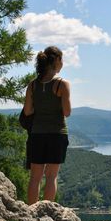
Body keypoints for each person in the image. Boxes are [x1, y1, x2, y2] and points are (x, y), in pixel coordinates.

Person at [23, 46, 71, 205]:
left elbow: (28, 111)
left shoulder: (32, 85)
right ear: (56, 61)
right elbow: (67, 111)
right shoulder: (62, 84)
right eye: (61, 59)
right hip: (57, 134)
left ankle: (30, 212)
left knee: (35, 178)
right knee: (51, 177)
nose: (62, 63)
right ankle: (46, 213)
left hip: (37, 134)